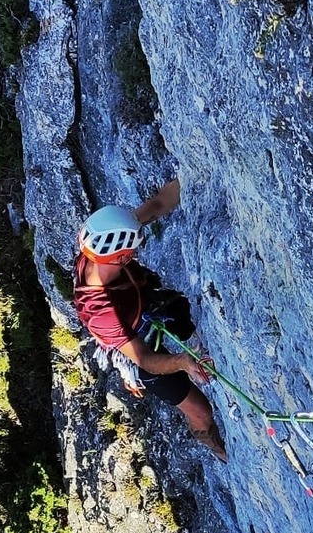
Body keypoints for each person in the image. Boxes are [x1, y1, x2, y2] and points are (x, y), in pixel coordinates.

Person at [73, 180, 227, 462]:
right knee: (201, 411)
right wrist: (182, 362)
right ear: (119, 257)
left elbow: (157, 204)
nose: (134, 253)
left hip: (147, 307)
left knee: (182, 311)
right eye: (130, 252)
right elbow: (143, 358)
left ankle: (197, 345)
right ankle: (214, 444)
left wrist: (195, 173)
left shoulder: (103, 246)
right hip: (133, 349)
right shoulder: (100, 313)